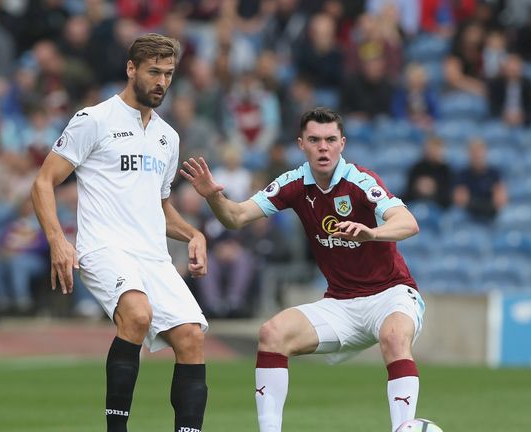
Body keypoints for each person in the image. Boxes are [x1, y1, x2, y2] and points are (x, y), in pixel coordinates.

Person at [181, 107, 425, 432]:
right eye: (314, 140)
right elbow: (236, 217)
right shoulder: (293, 183)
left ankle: (403, 429)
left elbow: (408, 223)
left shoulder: (361, 181)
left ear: (342, 144)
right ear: (301, 144)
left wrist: (372, 233)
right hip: (341, 302)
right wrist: (214, 198)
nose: (323, 147)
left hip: (391, 294)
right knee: (272, 333)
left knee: (394, 337)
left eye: (330, 140)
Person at [31, 34, 209, 432]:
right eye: (153, 72)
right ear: (131, 69)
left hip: (152, 256)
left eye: (168, 73)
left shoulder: (168, 137)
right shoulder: (93, 120)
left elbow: (159, 207)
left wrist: (193, 233)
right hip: (104, 247)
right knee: (137, 314)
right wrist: (59, 240)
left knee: (192, 337)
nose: (162, 81)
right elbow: (43, 183)